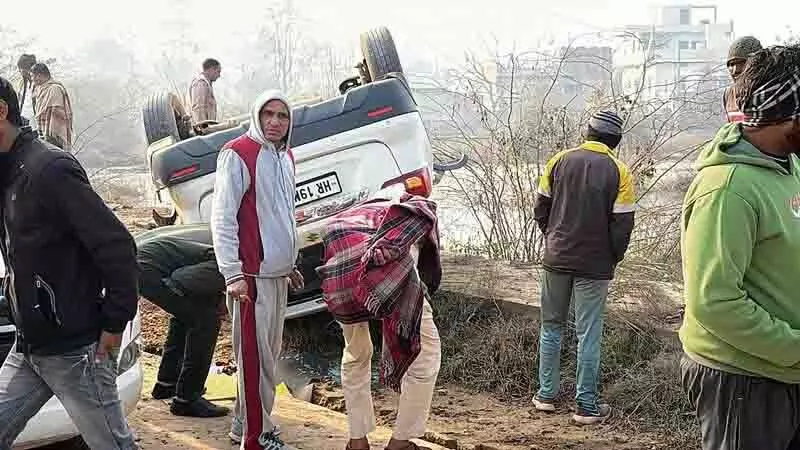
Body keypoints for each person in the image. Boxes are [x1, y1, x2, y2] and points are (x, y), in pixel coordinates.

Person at [0, 77, 139, 449]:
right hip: (29, 347)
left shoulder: (49, 169)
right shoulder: (9, 173)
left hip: (76, 351)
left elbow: (117, 246)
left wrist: (114, 320)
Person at [680, 44, 800, 450]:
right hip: (744, 380)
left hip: (786, 371)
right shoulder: (728, 189)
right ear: (790, 116)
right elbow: (714, 301)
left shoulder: (790, 168)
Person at [211, 89, 304, 450]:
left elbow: (282, 215)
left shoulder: (286, 157)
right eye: (269, 114)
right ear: (257, 115)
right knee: (254, 360)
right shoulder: (238, 154)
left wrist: (289, 263)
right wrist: (232, 273)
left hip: (276, 276)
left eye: (282, 116)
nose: (276, 122)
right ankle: (256, 437)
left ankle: (243, 423)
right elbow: (223, 216)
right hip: (250, 278)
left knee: (268, 358)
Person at [531, 111, 636, 425]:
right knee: (588, 334)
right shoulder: (620, 172)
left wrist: (554, 238)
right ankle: (585, 406)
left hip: (556, 259)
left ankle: (546, 395)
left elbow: (541, 209)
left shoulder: (558, 161)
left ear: (587, 132)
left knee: (551, 327)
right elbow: (623, 226)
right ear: (616, 141)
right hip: (595, 265)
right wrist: (611, 257)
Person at [316, 193, 443, 450]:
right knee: (427, 356)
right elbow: (423, 272)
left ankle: (357, 441)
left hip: (341, 281)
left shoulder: (358, 216)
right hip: (387, 271)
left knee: (356, 354)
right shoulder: (419, 222)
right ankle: (399, 443)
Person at [137, 234, 230, 418]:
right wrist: (215, 303)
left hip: (146, 264)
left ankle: (167, 385)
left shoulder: (220, 258)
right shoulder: (226, 267)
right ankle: (187, 399)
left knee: (187, 316)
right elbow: (181, 280)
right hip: (148, 268)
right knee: (206, 322)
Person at [30, 63, 73, 151]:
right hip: (43, 131)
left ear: (39, 75)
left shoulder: (54, 89)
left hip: (54, 134)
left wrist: (51, 135)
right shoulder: (40, 89)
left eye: (32, 76)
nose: (32, 79)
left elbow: (56, 114)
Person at [723, 36, 762, 123]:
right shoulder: (728, 94)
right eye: (732, 64)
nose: (736, 69)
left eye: (742, 63)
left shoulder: (768, 92)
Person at [189, 58, 221, 124]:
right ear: (211, 69)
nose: (219, 75)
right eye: (218, 72)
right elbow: (198, 109)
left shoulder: (206, 83)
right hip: (205, 129)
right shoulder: (201, 83)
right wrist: (205, 130)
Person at [15, 54, 37, 132]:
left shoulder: (39, 85)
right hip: (23, 124)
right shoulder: (22, 83)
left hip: (35, 126)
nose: (19, 71)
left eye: (20, 69)